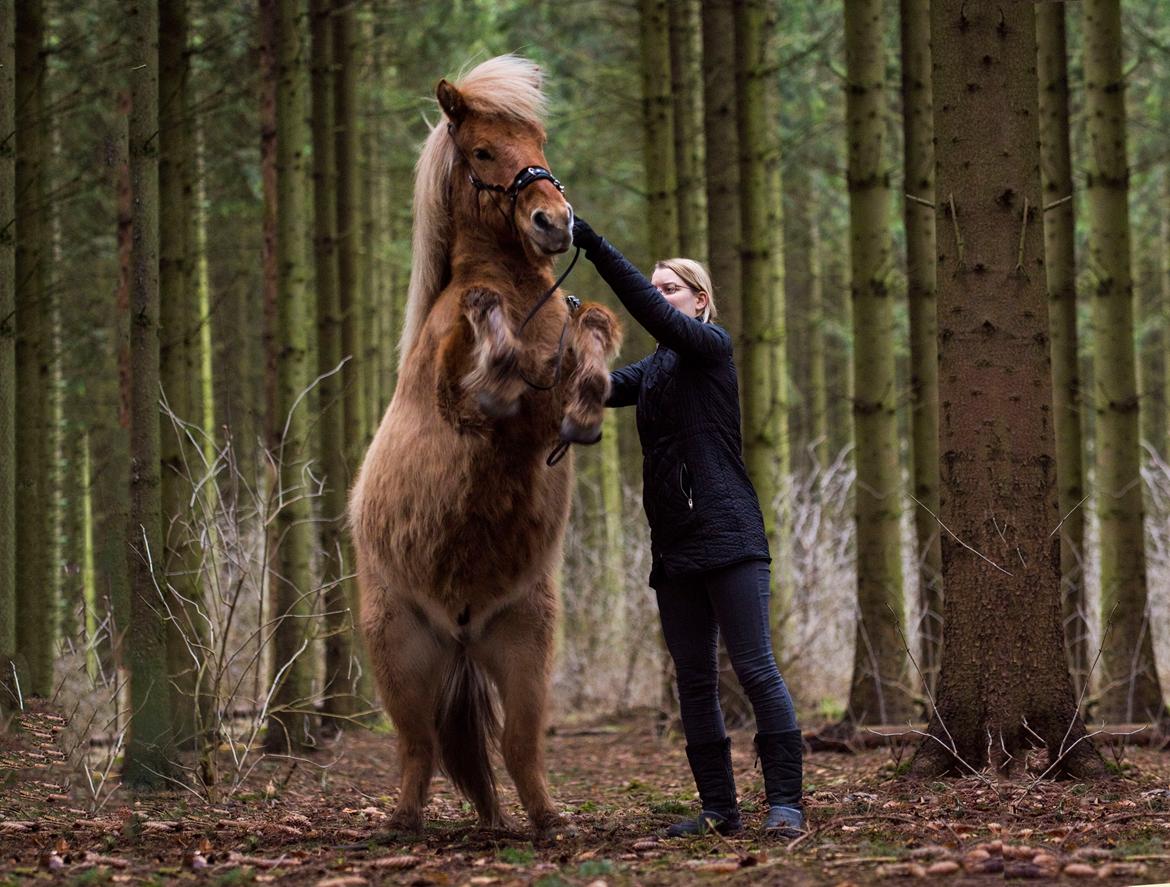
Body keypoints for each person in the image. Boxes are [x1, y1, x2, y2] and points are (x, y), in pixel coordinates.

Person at [570, 216, 804, 838]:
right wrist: (561, 329)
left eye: (670, 288)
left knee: (755, 668)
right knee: (693, 681)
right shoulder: (652, 374)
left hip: (729, 532)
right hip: (674, 547)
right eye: (657, 287)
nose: (660, 296)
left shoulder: (711, 347)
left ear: (699, 301)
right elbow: (589, 388)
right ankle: (718, 811)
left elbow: (650, 315)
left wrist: (590, 244)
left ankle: (786, 803)